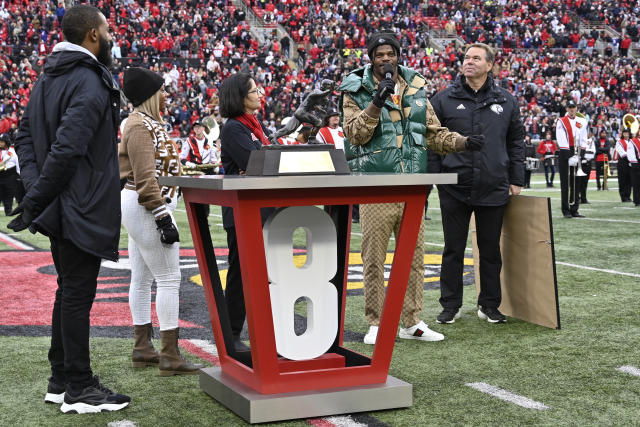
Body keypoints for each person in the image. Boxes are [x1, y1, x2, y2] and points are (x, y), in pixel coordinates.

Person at [8, 4, 130, 413]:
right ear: (93, 35)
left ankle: (60, 377)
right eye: (107, 31)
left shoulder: (46, 77)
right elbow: (69, 148)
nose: (111, 38)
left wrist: (36, 191)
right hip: (81, 204)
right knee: (78, 294)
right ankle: (78, 384)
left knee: (68, 291)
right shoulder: (90, 80)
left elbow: (24, 138)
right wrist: (36, 195)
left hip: (60, 203)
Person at [340, 32, 484, 344]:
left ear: (398, 55)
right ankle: (377, 322)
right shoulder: (355, 87)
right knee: (373, 258)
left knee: (414, 258)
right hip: (377, 187)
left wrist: (463, 142)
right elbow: (354, 135)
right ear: (371, 58)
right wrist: (376, 102)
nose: (385, 59)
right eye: (379, 55)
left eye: (390, 53)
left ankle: (411, 321)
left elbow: (432, 133)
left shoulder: (417, 86)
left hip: (412, 186)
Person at [429, 43, 525, 325]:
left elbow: (516, 141)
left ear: (490, 65)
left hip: (493, 185)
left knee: (491, 250)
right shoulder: (443, 99)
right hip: (453, 187)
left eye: (475, 58)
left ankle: (489, 305)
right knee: (453, 249)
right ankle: (450, 305)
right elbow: (429, 140)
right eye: (466, 57)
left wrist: (516, 178)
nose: (468, 62)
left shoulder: (506, 100)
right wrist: (437, 178)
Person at [119, 67, 203, 376]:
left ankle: (142, 348)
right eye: (161, 90)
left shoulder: (147, 122)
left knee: (141, 279)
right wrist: (162, 214)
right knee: (169, 279)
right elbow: (144, 178)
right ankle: (170, 355)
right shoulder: (140, 125)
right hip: (147, 205)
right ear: (150, 95)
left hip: (140, 204)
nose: (166, 95)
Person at [219, 72, 274, 351]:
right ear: (240, 97)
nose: (259, 94)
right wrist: (255, 164)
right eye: (254, 90)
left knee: (261, 272)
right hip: (241, 209)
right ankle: (231, 332)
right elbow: (255, 163)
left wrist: (256, 164)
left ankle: (258, 329)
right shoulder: (233, 128)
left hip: (259, 206)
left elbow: (261, 163)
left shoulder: (252, 125)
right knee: (240, 273)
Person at [556, 99, 588, 218]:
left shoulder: (582, 121)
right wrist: (568, 156)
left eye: (573, 107)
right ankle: (566, 210)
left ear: (576, 108)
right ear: (566, 109)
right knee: (565, 183)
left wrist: (581, 155)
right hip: (566, 153)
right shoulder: (561, 121)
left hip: (577, 151)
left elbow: (584, 139)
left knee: (576, 183)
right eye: (569, 107)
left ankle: (574, 209)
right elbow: (561, 139)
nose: (571, 109)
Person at [0, 133, 19, 215]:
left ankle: (8, 211)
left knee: (9, 194)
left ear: (7, 142)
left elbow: (17, 163)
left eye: (2, 142)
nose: (0, 143)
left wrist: (19, 174)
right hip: (0, 175)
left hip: (10, 175)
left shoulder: (12, 152)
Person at [614, 128, 632, 202]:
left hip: (631, 162)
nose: (625, 134)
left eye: (627, 133)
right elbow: (622, 153)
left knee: (629, 180)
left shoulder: (631, 141)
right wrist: (631, 156)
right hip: (623, 162)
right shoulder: (619, 142)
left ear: (629, 134)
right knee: (622, 180)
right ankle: (623, 196)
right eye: (624, 133)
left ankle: (628, 196)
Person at [579, 132, 596, 204]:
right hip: (580, 163)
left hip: (587, 163)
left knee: (585, 182)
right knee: (579, 182)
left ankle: (583, 198)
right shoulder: (580, 140)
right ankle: (578, 198)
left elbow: (592, 151)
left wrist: (586, 157)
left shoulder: (591, 141)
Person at [627, 130, 640, 206]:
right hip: (637, 163)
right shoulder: (632, 141)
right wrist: (635, 164)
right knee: (637, 184)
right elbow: (630, 154)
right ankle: (637, 200)